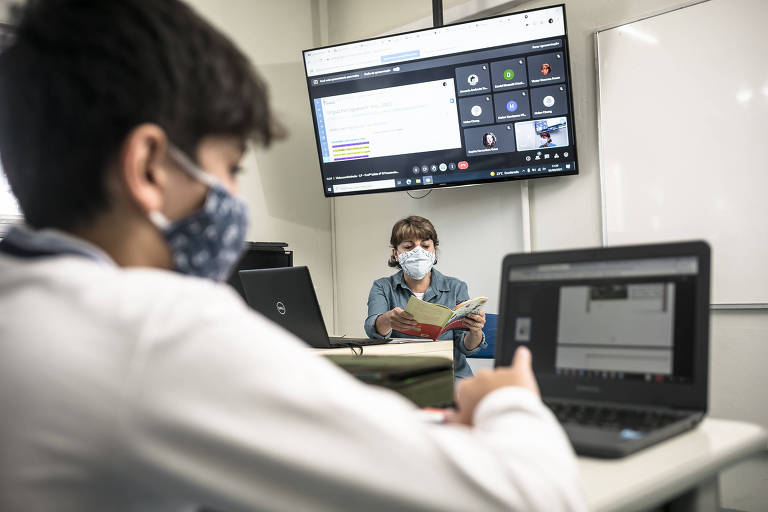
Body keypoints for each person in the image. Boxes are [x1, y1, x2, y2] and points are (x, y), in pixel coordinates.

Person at [0, 1, 586, 511]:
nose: (231, 196)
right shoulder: (151, 332)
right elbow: (531, 500)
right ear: (150, 166)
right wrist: (508, 400)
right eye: (229, 168)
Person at [365, 216, 488, 380]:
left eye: (425, 246)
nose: (418, 252)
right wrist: (387, 320)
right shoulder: (382, 287)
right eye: (408, 247)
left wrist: (475, 330)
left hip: (450, 374)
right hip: (402, 375)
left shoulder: (456, 287)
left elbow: (466, 347)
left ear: (434, 250)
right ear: (395, 253)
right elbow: (373, 332)